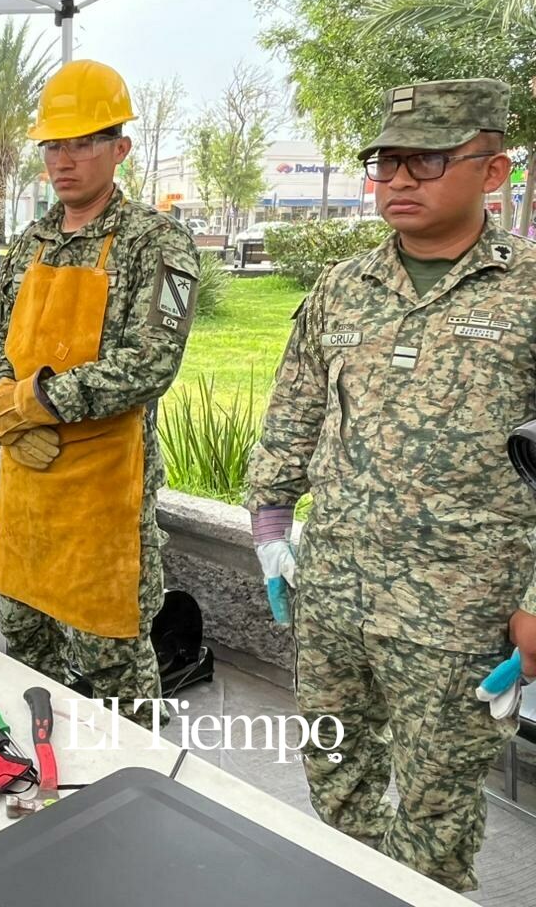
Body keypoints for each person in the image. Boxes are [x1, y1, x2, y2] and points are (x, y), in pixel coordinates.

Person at [246, 78, 532, 892]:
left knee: (437, 817)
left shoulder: (527, 290)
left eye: (428, 160)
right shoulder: (343, 286)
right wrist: (270, 530)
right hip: (334, 594)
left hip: (461, 611)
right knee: (335, 778)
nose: (400, 180)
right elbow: (294, 411)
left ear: (493, 169)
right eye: (387, 162)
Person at [0, 60, 200, 721]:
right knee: (24, 647)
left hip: (105, 496)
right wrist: (3, 410)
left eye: (82, 143)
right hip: (26, 483)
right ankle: (37, 762)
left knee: (115, 662)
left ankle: (137, 775)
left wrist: (36, 404)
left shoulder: (156, 243)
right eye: (54, 144)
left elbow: (151, 363)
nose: (63, 160)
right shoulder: (30, 244)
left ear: (120, 148)